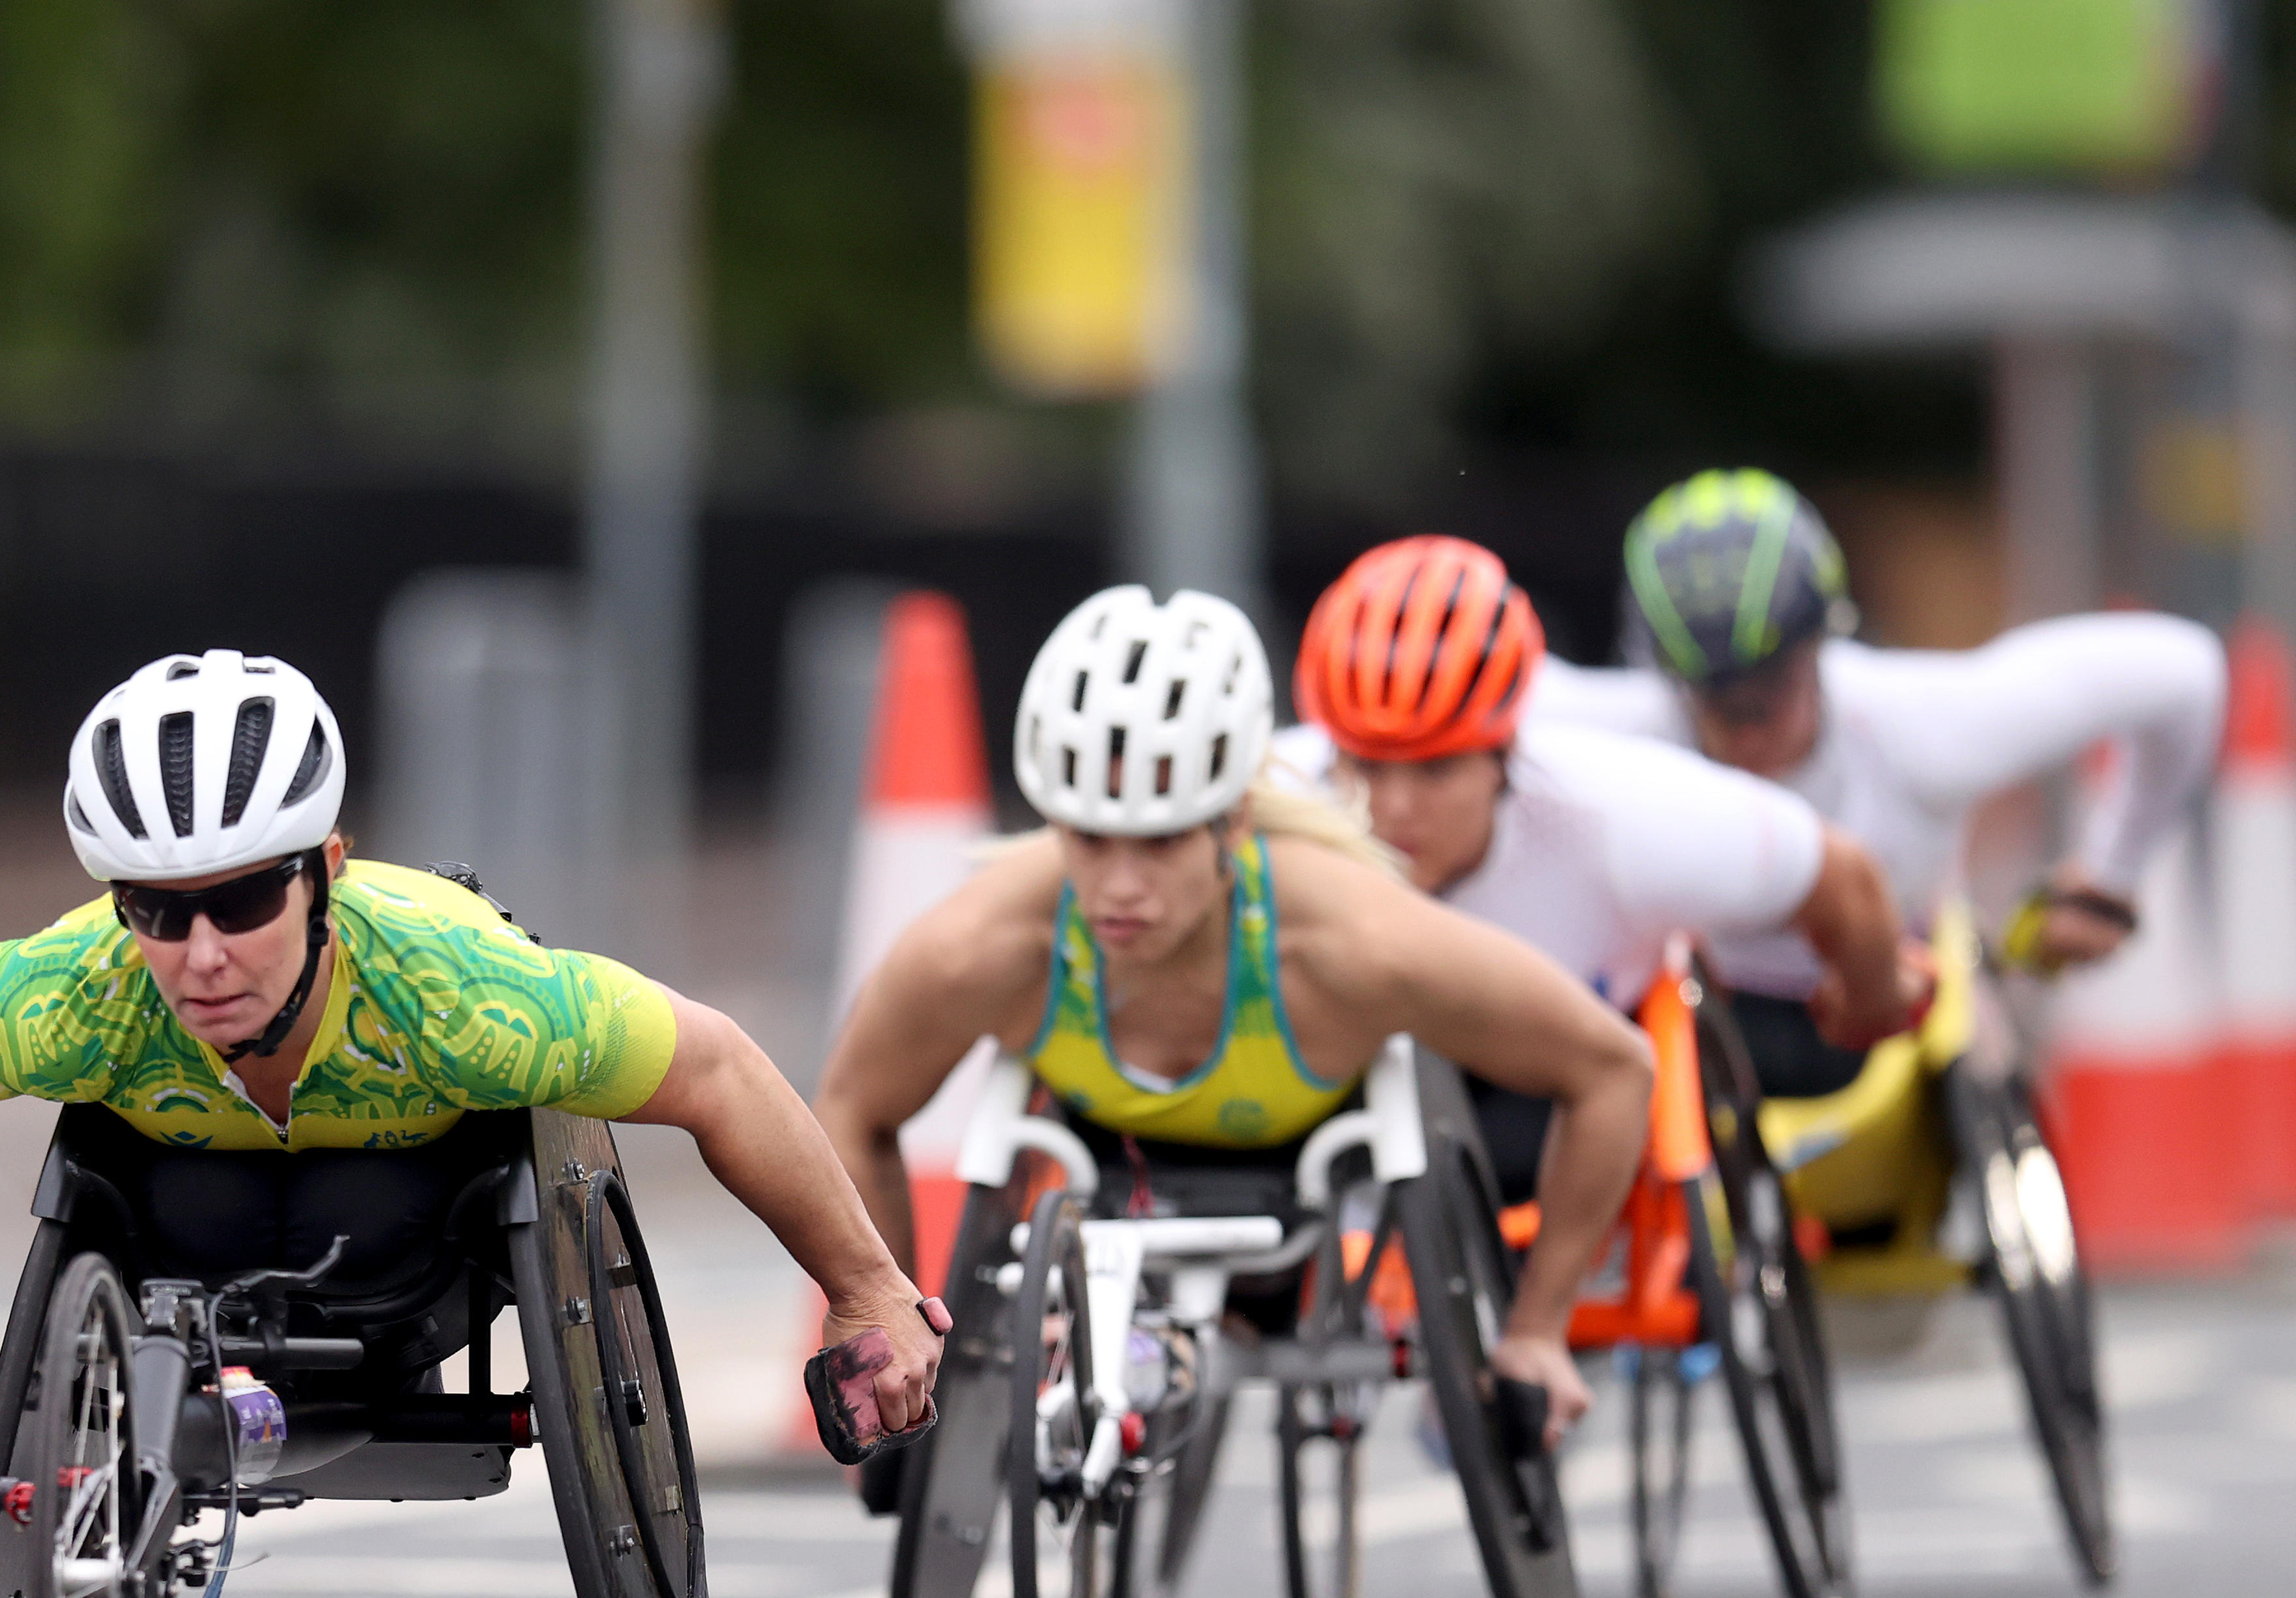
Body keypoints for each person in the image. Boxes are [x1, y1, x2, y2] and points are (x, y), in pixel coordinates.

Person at [0, 647, 944, 1442]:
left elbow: (718, 1070)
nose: (200, 953)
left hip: (418, 1250)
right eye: (155, 910)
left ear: (326, 873)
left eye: (244, 903)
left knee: (376, 1172)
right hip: (185, 1241)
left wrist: (868, 1289)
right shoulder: (75, 989)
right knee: (126, 1167)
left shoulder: (463, 996)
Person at [814, 585, 1654, 1446]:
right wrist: (886, 1330)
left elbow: (1613, 1067)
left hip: (1309, 1186)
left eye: (1163, 839)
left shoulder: (1358, 936)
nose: (1120, 887)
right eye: (1089, 838)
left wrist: (1540, 1327)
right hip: (1108, 1164)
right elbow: (853, 1107)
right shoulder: (979, 944)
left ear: (1234, 820)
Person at [1531, 470, 2225, 1100]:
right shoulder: (1625, 730)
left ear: (1820, 644)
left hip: (1909, 1029)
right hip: (1699, 1031)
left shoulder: (1921, 727)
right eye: (1716, 700)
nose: (1748, 730)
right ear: (1667, 681)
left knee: (1981, 1079)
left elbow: (2182, 674)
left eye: (1771, 686)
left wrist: (2108, 878)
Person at [1282, 535, 1925, 1199]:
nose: (1392, 807)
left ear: (1503, 754)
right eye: (1363, 766)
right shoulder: (1267, 802)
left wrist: (1871, 996)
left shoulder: (1620, 814)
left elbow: (1841, 876)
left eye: (1435, 768)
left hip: (1562, 1104)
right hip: (1345, 1095)